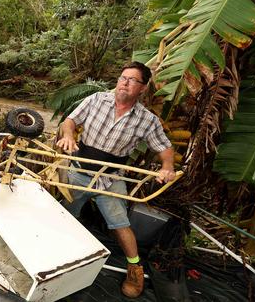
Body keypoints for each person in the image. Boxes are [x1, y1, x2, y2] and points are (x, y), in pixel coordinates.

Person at [56, 61, 175, 298]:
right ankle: (54, 253)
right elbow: (70, 121)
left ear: (143, 88)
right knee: (62, 213)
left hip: (111, 178)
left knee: (120, 223)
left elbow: (165, 148)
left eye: (133, 80)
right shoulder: (97, 99)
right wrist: (68, 136)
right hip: (79, 170)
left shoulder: (146, 119)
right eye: (123, 78)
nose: (125, 83)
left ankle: (134, 268)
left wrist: (168, 167)